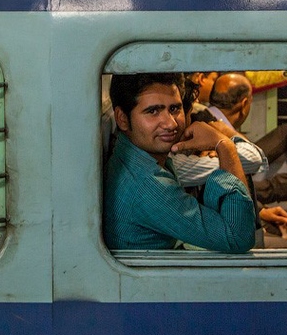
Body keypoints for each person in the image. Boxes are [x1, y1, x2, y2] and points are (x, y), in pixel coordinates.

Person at [103, 73, 256, 253]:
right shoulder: (146, 184)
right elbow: (238, 238)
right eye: (153, 111)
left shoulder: (134, 157)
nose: (170, 123)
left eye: (175, 109)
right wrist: (224, 145)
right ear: (122, 118)